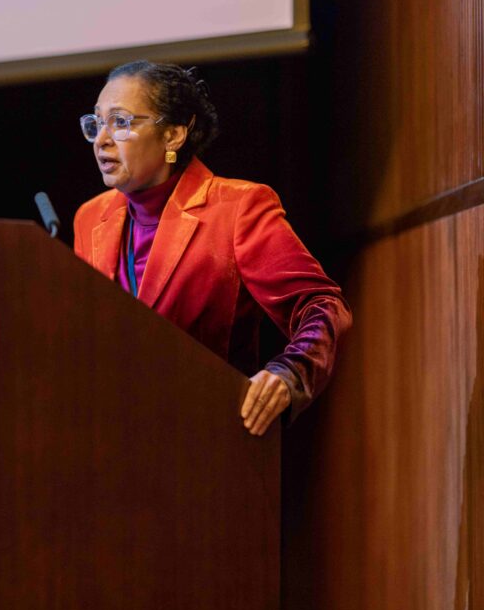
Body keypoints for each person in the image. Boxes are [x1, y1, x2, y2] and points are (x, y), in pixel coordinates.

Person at [73, 60, 352, 435]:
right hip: (108, 440)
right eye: (96, 123)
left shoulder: (237, 207)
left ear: (173, 134)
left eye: (120, 123)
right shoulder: (90, 219)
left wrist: (288, 373)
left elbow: (323, 306)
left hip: (209, 439)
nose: (102, 140)